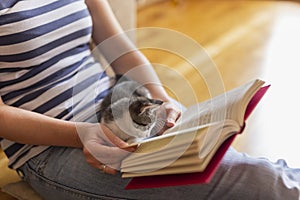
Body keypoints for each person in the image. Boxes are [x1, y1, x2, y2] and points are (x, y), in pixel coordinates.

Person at [0, 0, 299, 199]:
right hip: (51, 149)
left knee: (243, 168)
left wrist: (161, 99)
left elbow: (121, 50)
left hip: (121, 111)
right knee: (254, 180)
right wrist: (83, 135)